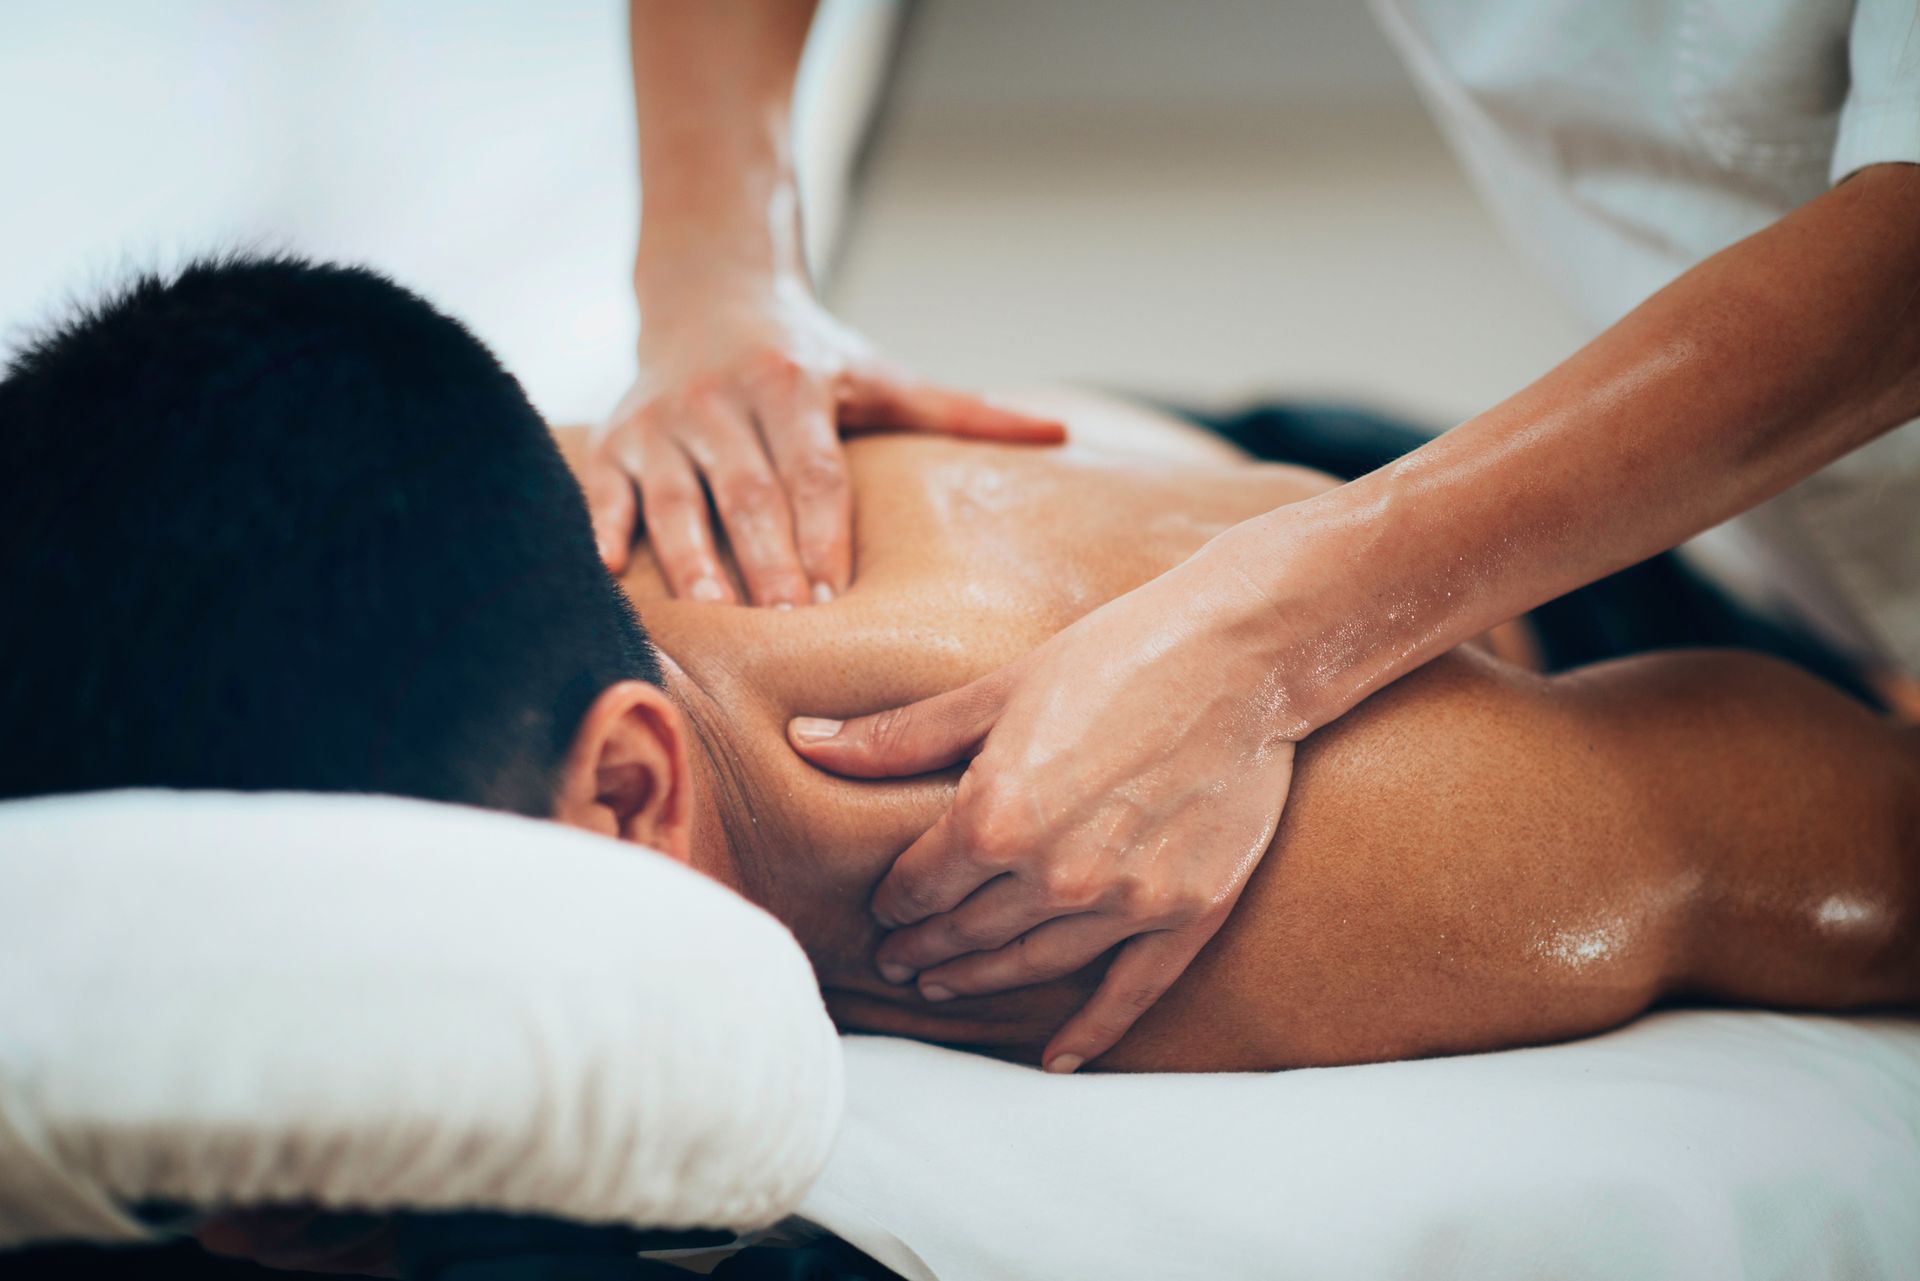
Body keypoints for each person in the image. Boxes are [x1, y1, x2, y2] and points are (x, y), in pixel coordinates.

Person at [4, 258, 1913, 1079]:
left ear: (636, 794)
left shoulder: (1240, 898)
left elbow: (1838, 830)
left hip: (1565, 598)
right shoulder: (452, 532)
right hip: (1113, 447)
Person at [597, 0, 1920, 1073]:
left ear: (628, 792)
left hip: (1493, 609)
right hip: (1298, 484)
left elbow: (1871, 846)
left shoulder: (1348, 861)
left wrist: (1279, 633)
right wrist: (717, 266)